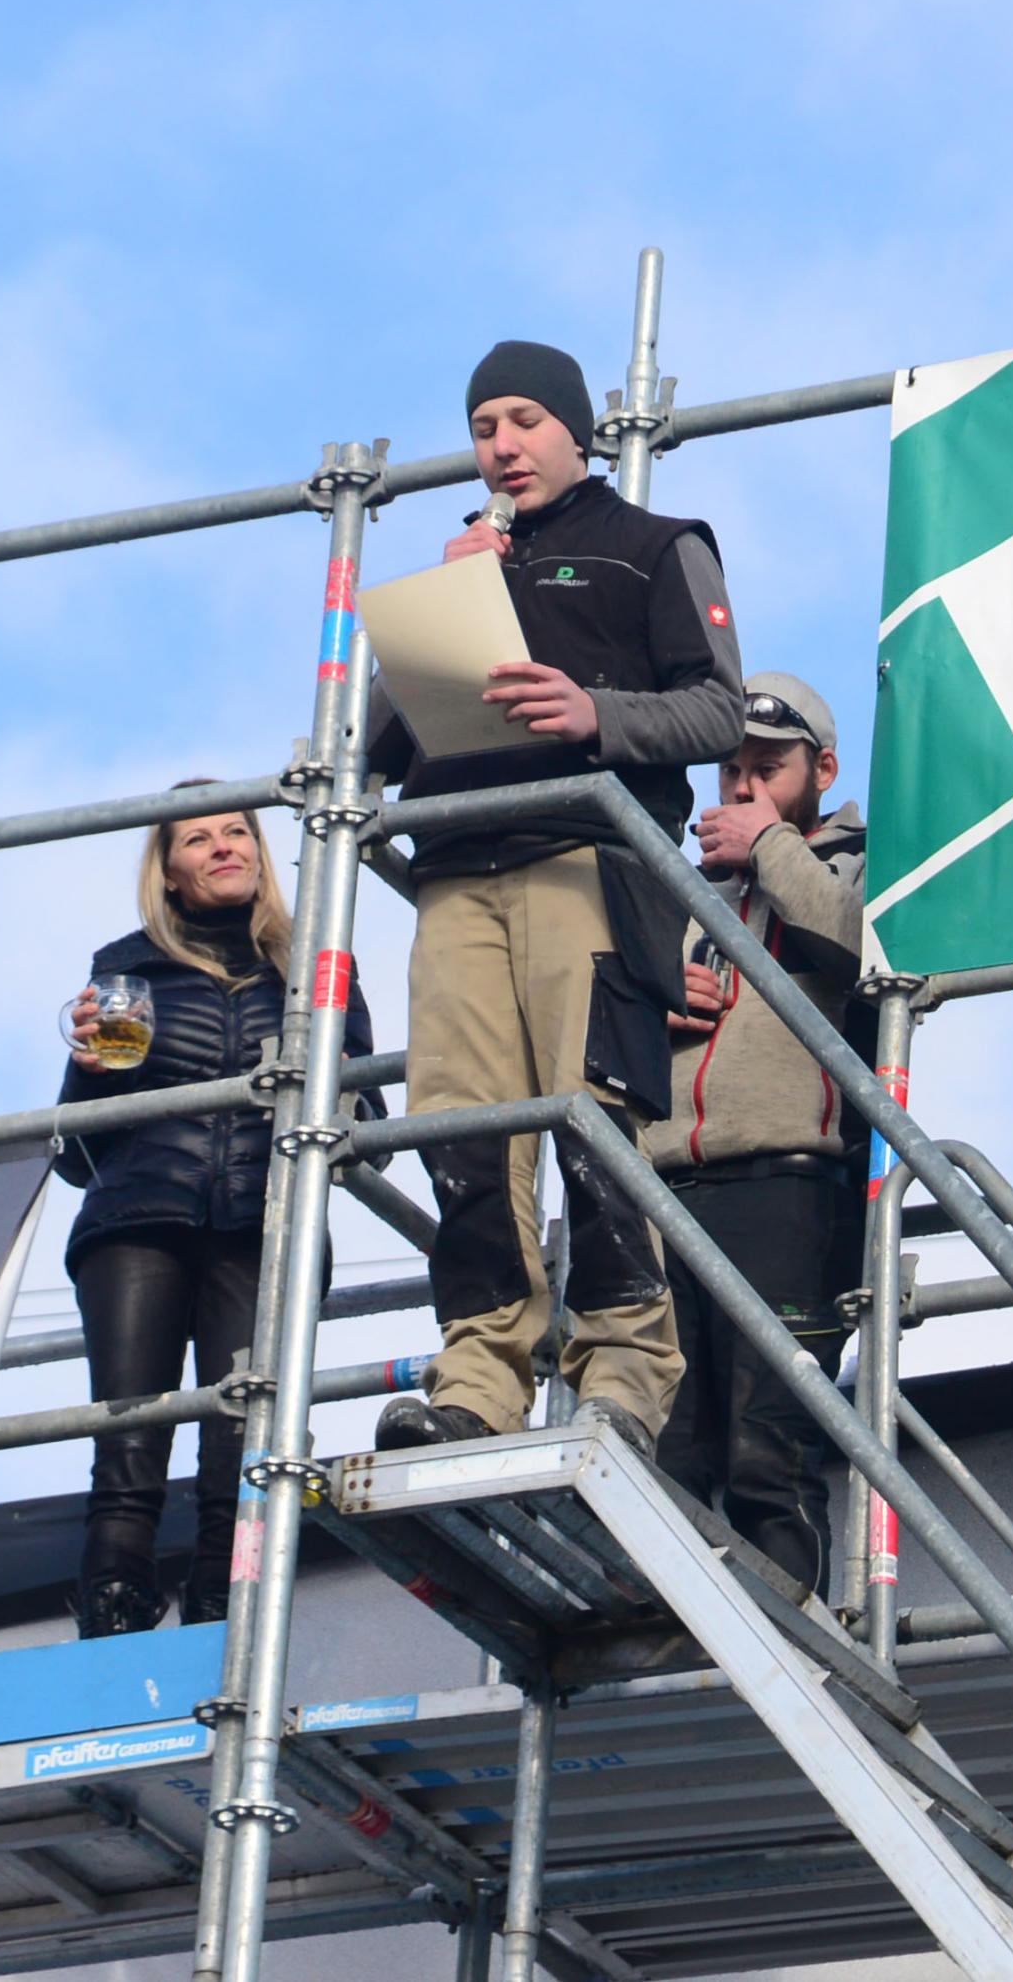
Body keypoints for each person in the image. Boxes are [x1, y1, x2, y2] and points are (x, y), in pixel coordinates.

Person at [368, 339, 746, 1451]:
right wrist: (444, 599)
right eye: (484, 427)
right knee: (463, 1137)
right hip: (454, 874)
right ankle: (478, 1384)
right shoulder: (463, 562)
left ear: (577, 430)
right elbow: (371, 747)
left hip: (587, 864)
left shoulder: (654, 547)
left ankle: (624, 1377)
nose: (502, 445)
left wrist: (596, 713)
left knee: (595, 1125)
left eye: (525, 420)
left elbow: (718, 710)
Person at [50, 796, 372, 1638]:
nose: (224, 846)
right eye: (199, 837)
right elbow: (75, 1155)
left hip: (266, 1228)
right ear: (169, 872)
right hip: (137, 1221)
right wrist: (87, 1072)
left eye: (238, 832)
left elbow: (369, 1121)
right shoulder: (125, 970)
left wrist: (346, 1094)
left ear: (261, 853)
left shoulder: (317, 964)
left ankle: (224, 1627)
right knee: (129, 1447)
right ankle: (112, 1624)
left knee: (242, 1449)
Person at [640, 672, 868, 1589]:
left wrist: (770, 842)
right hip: (663, 1188)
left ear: (823, 770)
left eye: (767, 769)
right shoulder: (681, 890)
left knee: (767, 1451)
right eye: (731, 770)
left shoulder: (867, 860)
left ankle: (792, 1649)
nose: (742, 788)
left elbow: (854, 946)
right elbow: (593, 1030)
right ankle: (672, 1641)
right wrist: (649, 1006)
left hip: (791, 1186)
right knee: (666, 1453)